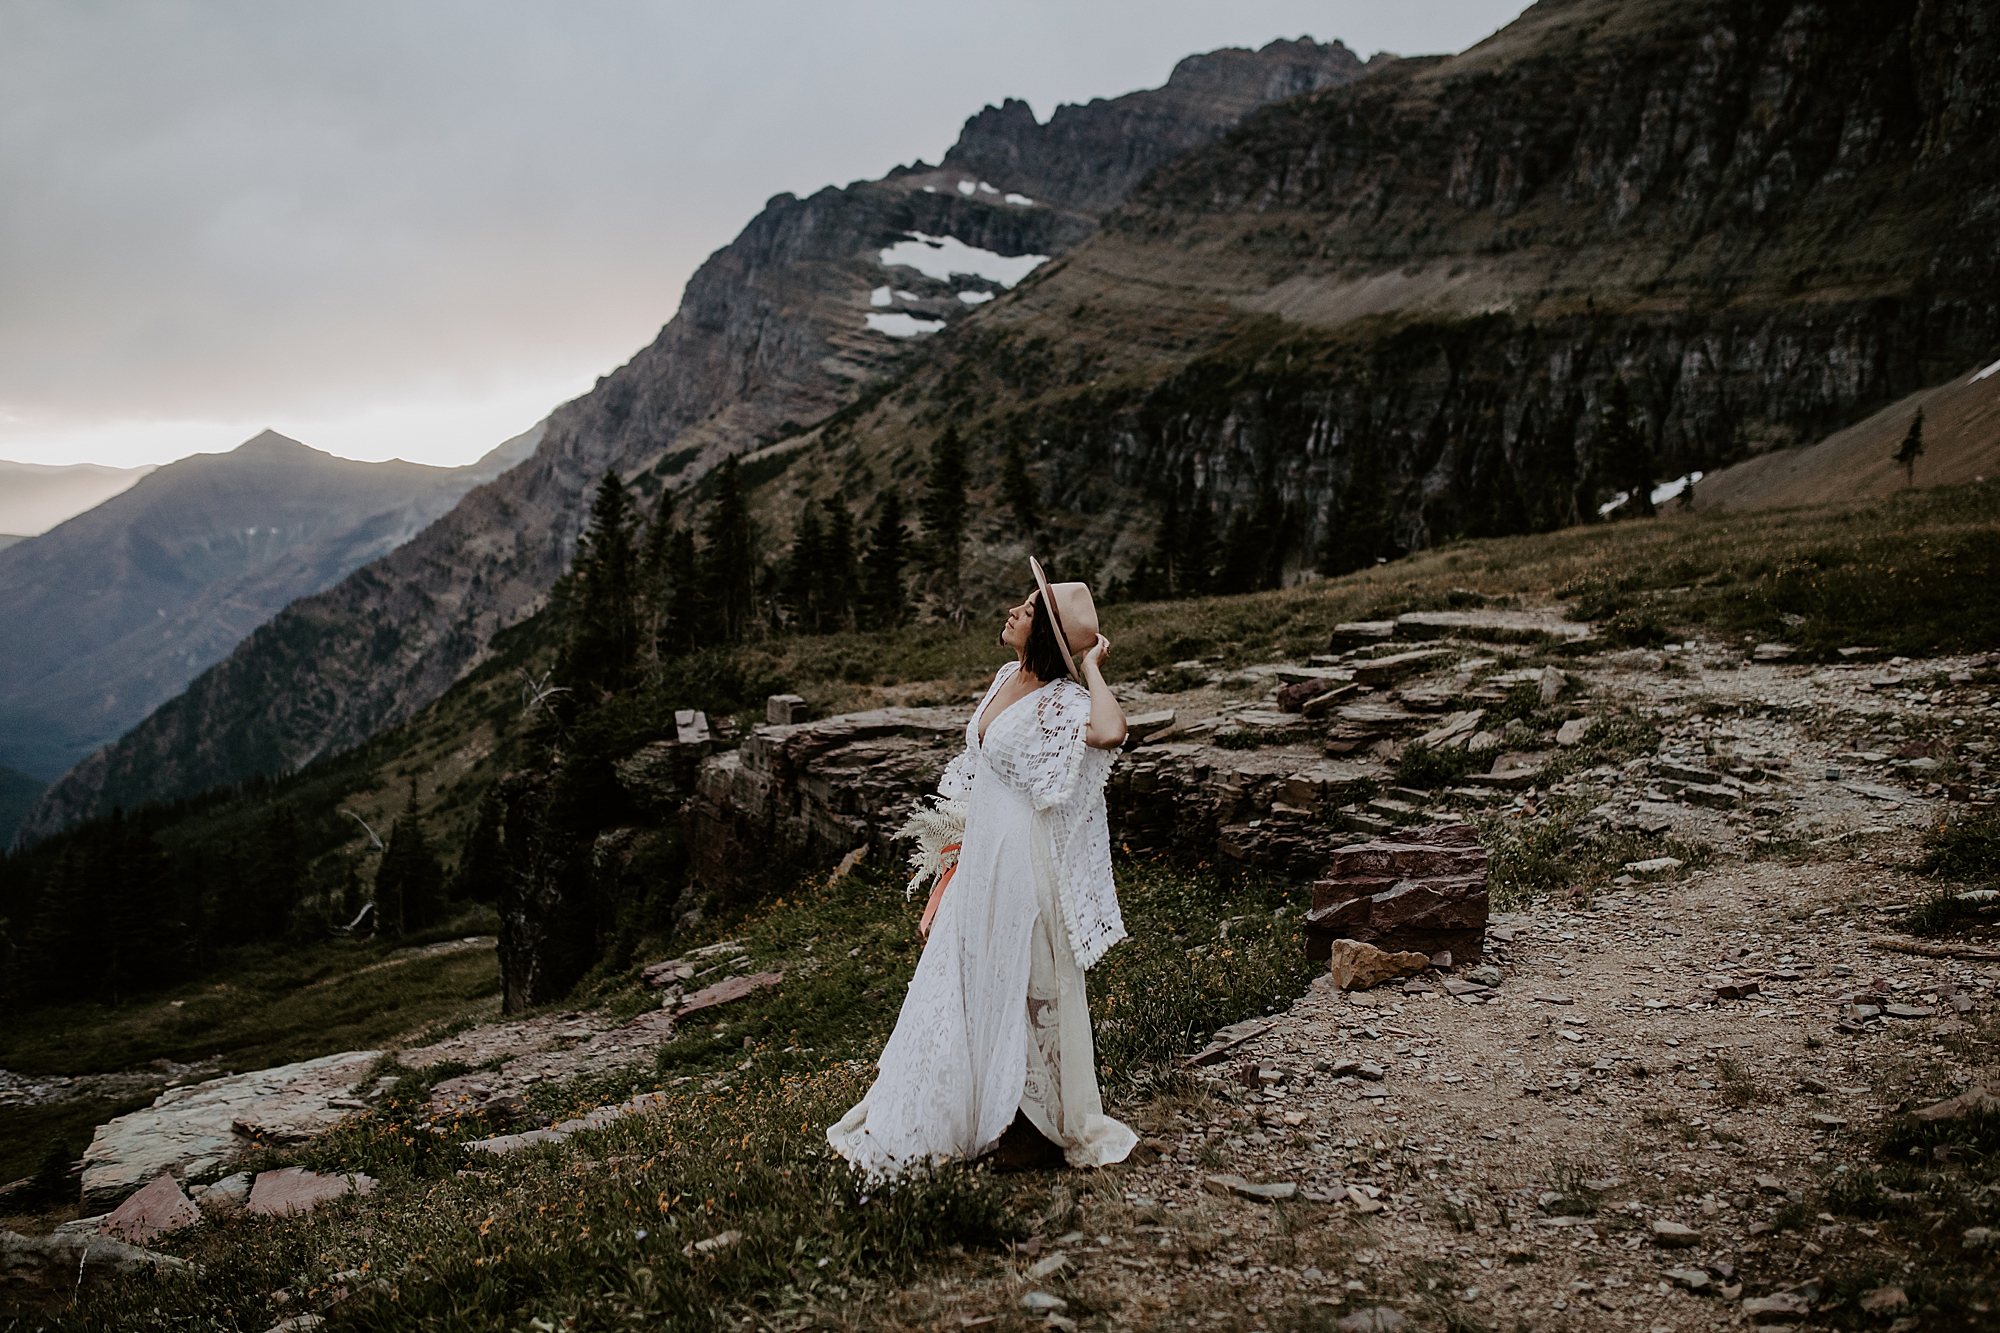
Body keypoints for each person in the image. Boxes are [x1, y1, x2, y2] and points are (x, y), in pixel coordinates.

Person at [827, 558, 1137, 1174]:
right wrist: (951, 862)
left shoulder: (1063, 701)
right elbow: (981, 776)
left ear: (1044, 633)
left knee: (1022, 981)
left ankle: (1032, 1126)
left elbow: (1111, 730)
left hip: (1023, 859)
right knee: (965, 980)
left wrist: (1093, 667)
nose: (1014, 612)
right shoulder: (1004, 676)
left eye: (1027, 609)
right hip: (981, 856)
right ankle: (963, 1109)